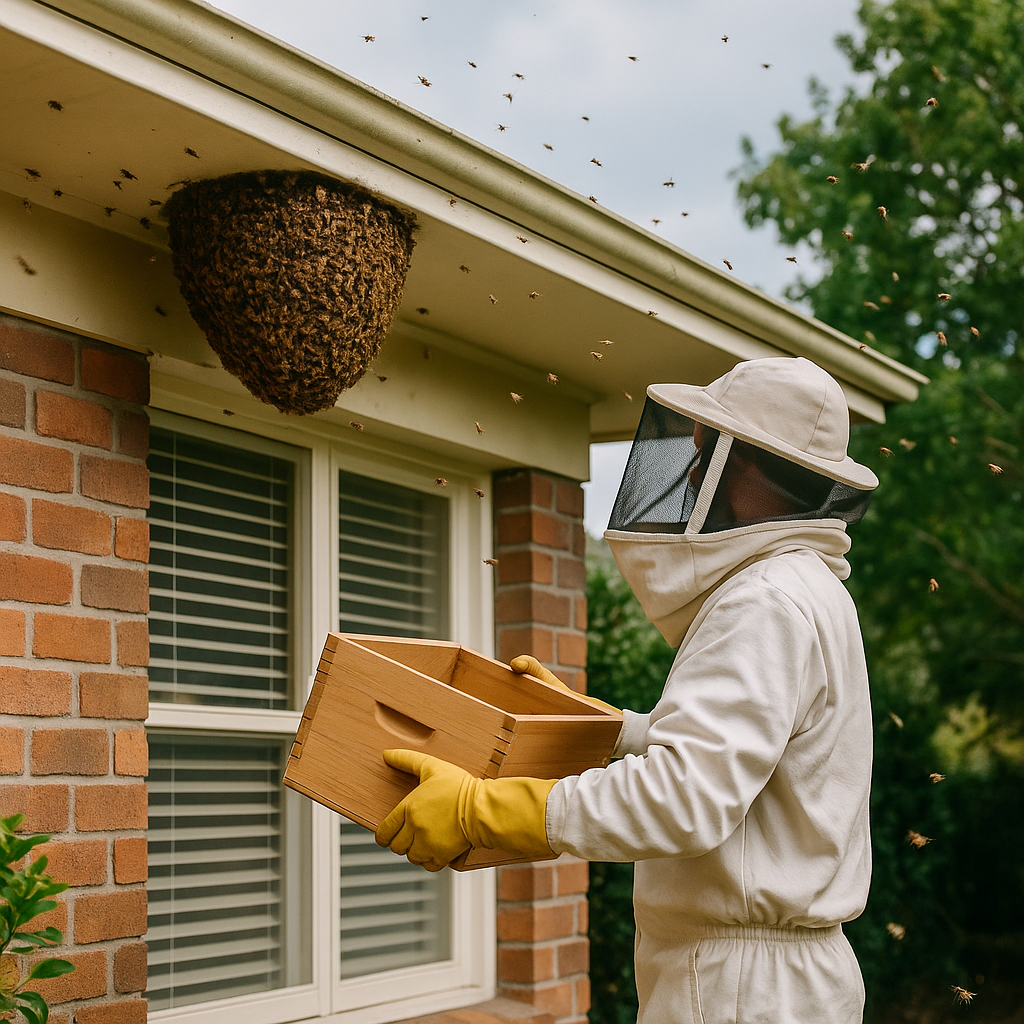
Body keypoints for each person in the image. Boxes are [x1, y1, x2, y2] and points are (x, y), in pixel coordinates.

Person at [377, 356, 877, 1024]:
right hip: (782, 985)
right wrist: (606, 728)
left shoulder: (763, 599)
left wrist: (482, 810)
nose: (692, 474)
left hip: (739, 993)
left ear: (756, 466)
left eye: (710, 456)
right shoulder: (812, 591)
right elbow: (751, 760)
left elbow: (685, 797)